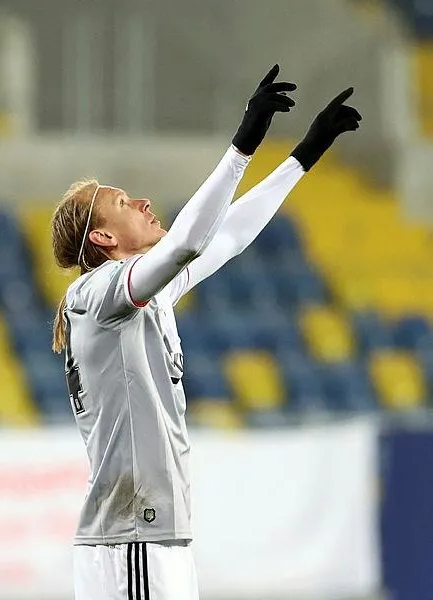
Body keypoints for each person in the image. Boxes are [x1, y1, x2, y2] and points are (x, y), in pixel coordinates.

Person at [50, 64, 361, 600]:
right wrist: (241, 148)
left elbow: (228, 236)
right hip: (133, 539)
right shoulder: (98, 294)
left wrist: (303, 155)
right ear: (102, 238)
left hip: (150, 537)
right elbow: (187, 244)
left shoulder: (141, 293)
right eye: (124, 203)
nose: (144, 203)